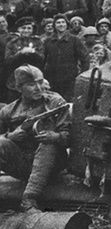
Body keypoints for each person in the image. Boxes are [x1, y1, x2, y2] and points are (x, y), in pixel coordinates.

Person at [0, 65, 71, 212]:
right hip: (22, 164)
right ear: (19, 88)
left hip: (52, 164)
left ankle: (29, 199)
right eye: (31, 84)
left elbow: (70, 137)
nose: (39, 88)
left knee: (48, 143)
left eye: (40, 82)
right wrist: (10, 136)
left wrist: (56, 136)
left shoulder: (55, 103)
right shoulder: (9, 111)